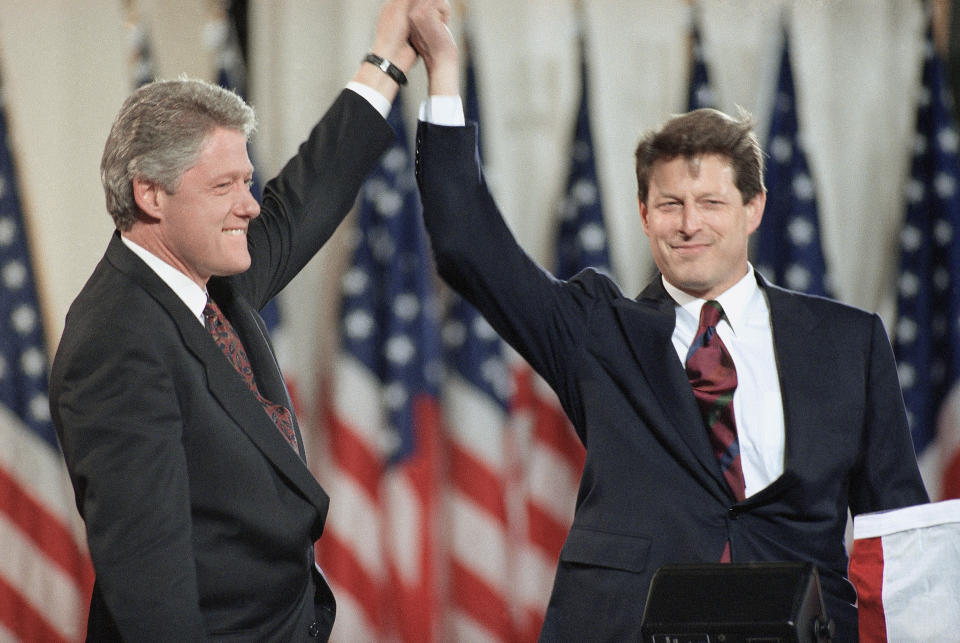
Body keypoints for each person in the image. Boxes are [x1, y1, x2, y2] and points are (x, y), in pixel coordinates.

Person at [407, 3, 929, 640]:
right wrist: (444, 67)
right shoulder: (598, 331)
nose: (689, 224)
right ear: (643, 212)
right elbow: (464, 240)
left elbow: (896, 526)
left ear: (754, 208)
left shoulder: (849, 342)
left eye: (711, 202)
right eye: (670, 205)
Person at [48, 2, 417, 639]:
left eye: (247, 181)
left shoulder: (215, 276)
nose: (250, 205)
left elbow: (308, 193)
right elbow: (152, 595)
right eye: (225, 187)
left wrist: (384, 62)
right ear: (150, 194)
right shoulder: (116, 343)